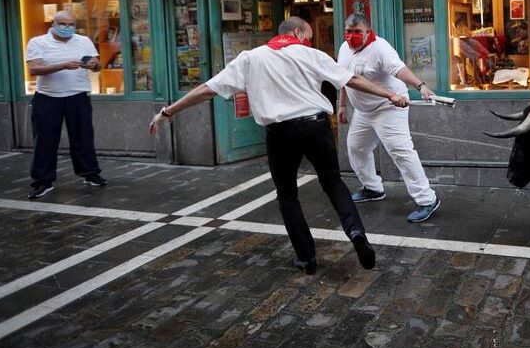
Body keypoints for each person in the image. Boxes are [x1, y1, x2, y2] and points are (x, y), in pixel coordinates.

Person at [149, 16, 409, 273]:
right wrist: (390, 94)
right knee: (333, 183)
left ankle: (306, 258)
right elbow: (351, 79)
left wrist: (167, 112)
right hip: (316, 126)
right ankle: (356, 233)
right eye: (307, 36)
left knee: (287, 196)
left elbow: (207, 90)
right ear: (296, 33)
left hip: (280, 133)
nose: (309, 41)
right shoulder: (311, 55)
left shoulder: (250, 58)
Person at [337, 13, 441, 223]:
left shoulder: (380, 47)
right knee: (356, 147)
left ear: (368, 31)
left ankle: (427, 199)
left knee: (400, 151)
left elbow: (399, 69)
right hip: (363, 111)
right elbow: (344, 78)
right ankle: (373, 188)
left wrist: (420, 87)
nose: (352, 36)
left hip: (389, 106)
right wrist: (341, 105)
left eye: (357, 32)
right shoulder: (343, 48)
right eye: (349, 31)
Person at [25, 10, 107, 199]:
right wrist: (62, 65)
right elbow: (34, 69)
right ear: (53, 24)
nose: (67, 28)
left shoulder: (83, 41)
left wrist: (93, 65)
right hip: (47, 97)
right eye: (63, 24)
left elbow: (96, 63)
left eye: (71, 24)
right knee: (45, 141)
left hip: (78, 96)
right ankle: (42, 181)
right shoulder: (38, 42)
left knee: (83, 137)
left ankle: (90, 174)